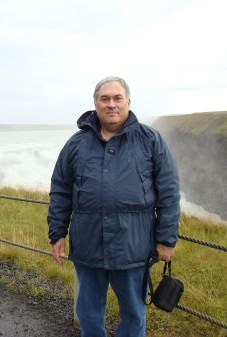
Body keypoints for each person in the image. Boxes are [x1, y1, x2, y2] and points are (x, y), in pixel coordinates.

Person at [47, 76, 180, 337]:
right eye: (104, 98)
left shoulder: (150, 140)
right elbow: (61, 189)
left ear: (128, 102)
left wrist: (166, 238)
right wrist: (57, 233)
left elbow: (169, 191)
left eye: (117, 98)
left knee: (133, 314)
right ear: (95, 103)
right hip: (88, 245)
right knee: (88, 312)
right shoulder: (76, 144)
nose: (111, 104)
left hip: (133, 247)